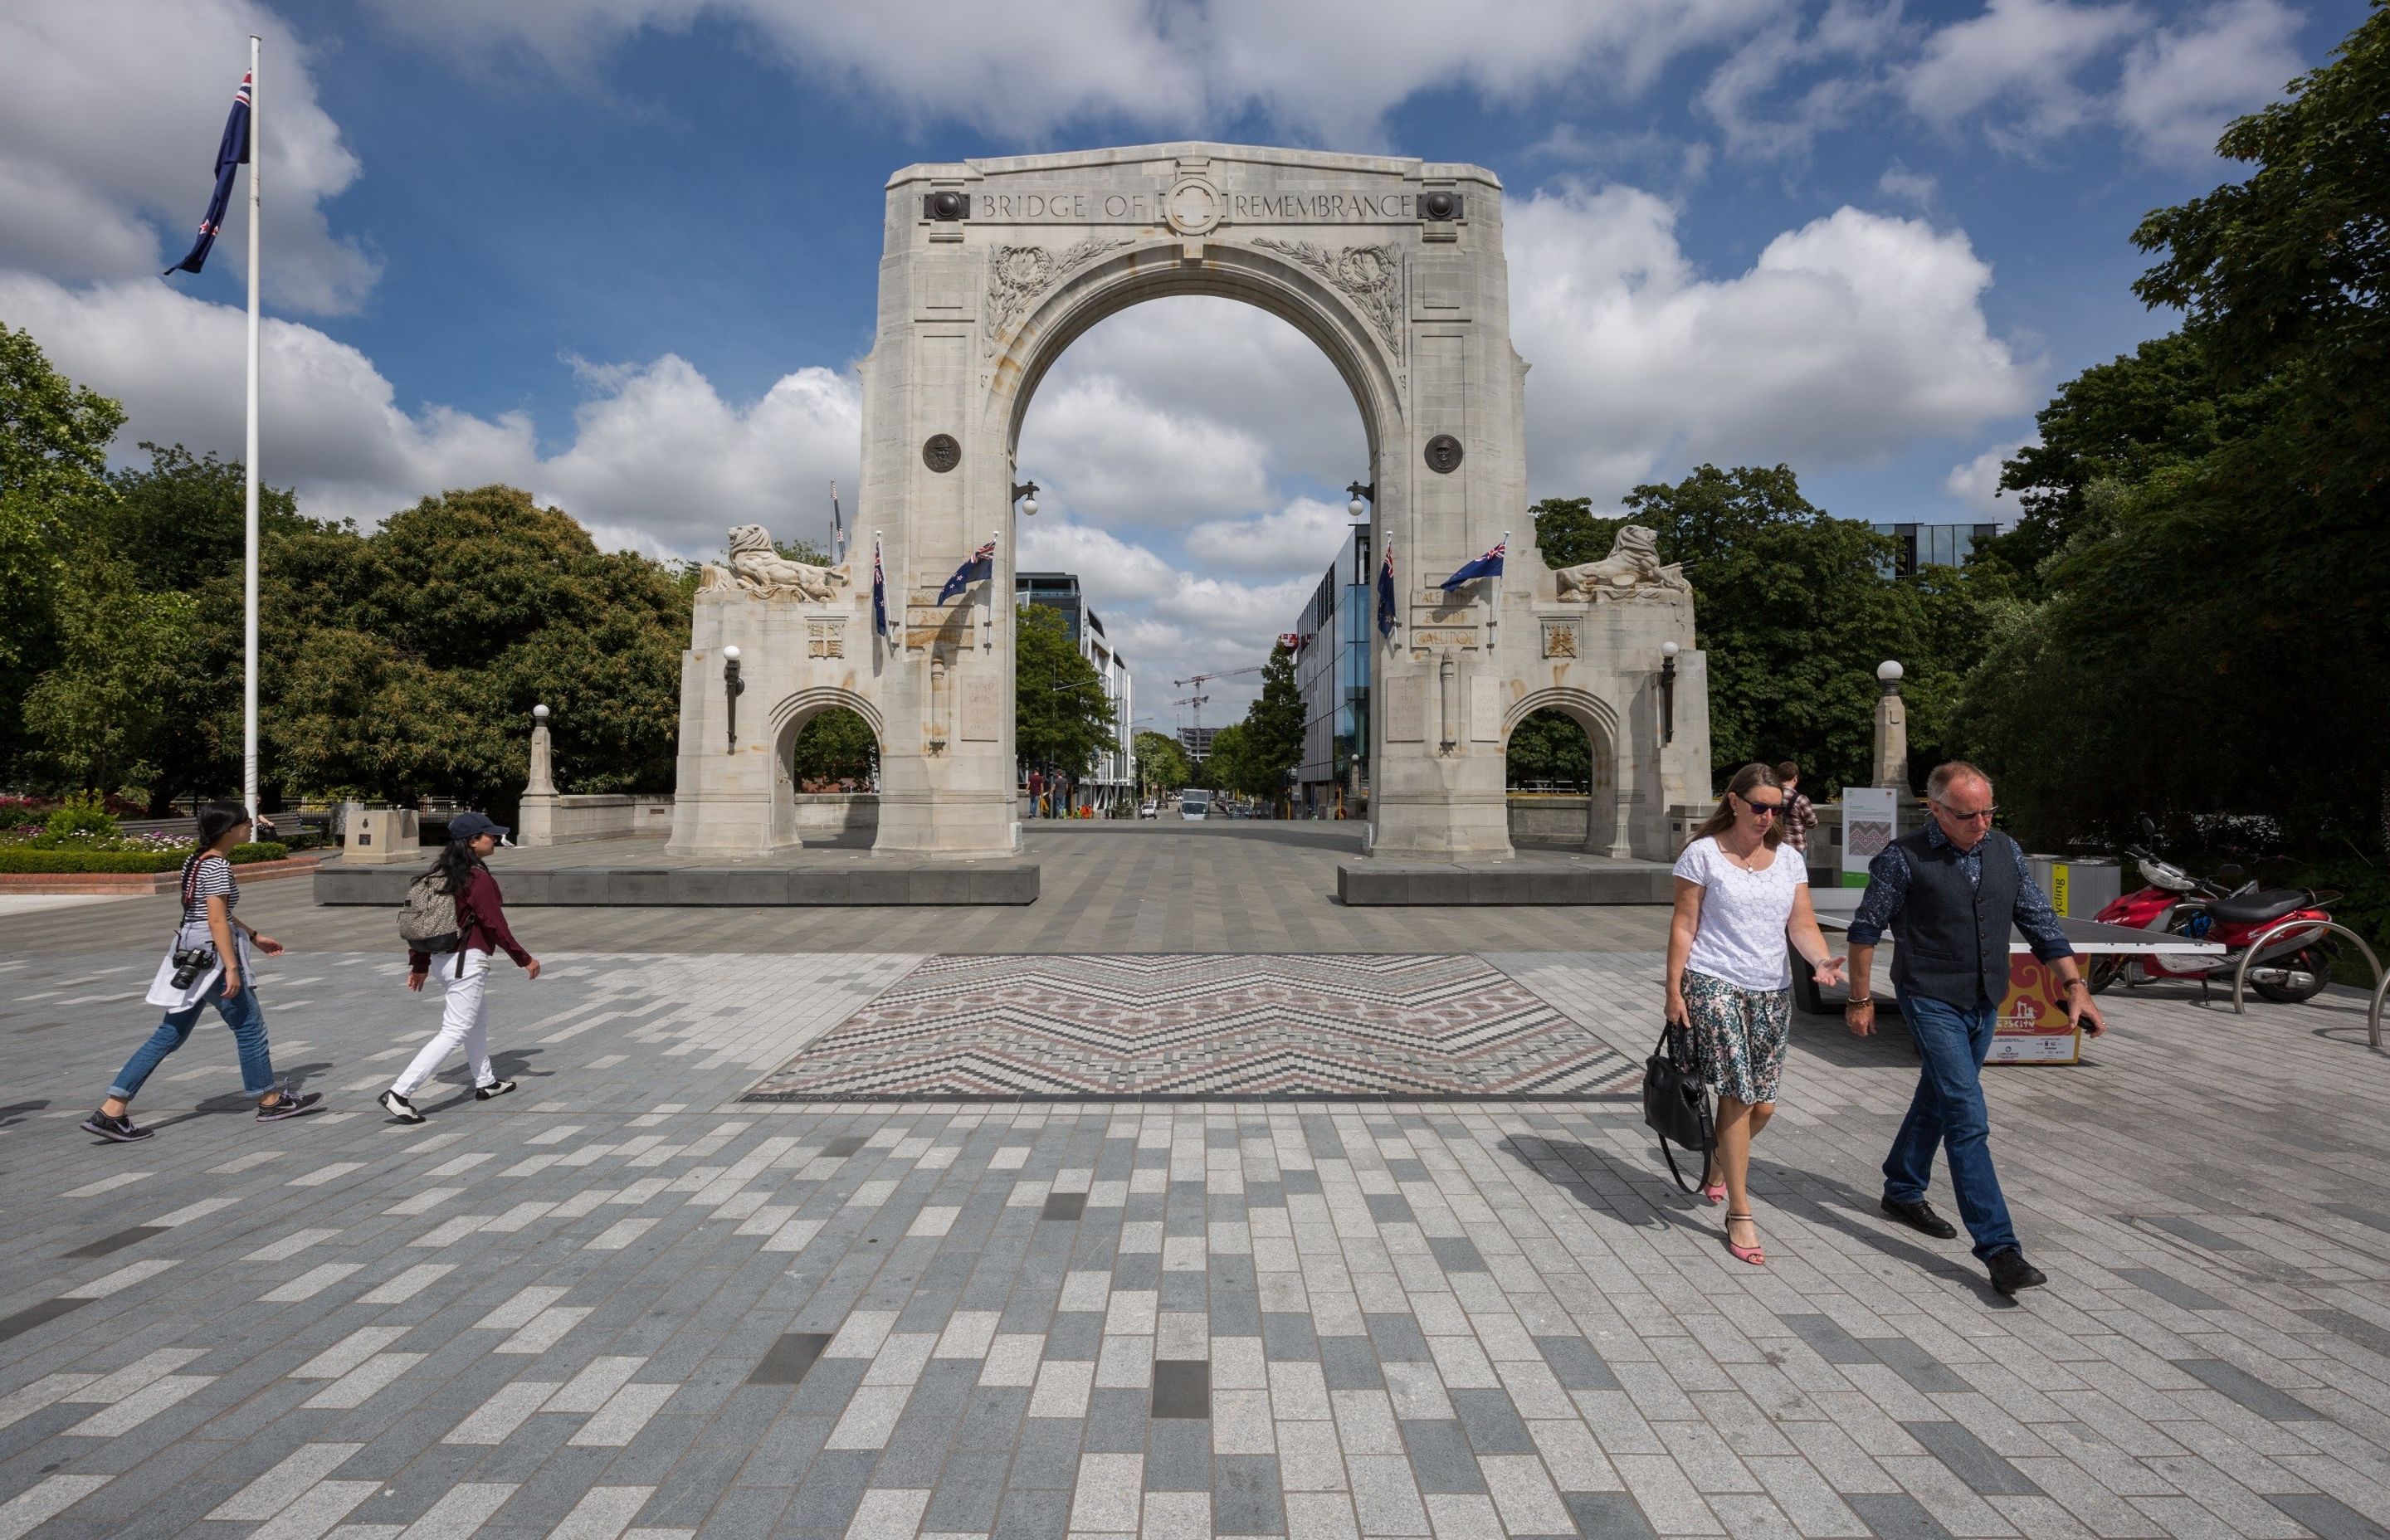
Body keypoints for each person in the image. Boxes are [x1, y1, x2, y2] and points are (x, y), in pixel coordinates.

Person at [1844, 761, 2104, 1295]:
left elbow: (2038, 921)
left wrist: (2075, 985)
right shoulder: (1902, 858)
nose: (1982, 822)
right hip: (1930, 996)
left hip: (1986, 997)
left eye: (1989, 811)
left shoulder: (2004, 849)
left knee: (1941, 1096)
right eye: (1969, 815)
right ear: (1935, 810)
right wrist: (1861, 997)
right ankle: (2000, 1249)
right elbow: (1865, 930)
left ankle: (1902, 1185)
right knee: (1967, 1115)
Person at [1666, 763, 1846, 1265]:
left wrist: (1820, 959)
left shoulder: (1788, 860)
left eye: (1777, 809)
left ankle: (1722, 1161)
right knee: (1739, 1094)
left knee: (1763, 1106)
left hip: (1771, 989)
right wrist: (1673, 991)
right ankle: (1741, 1213)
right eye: (1760, 806)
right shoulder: (1702, 855)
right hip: (1712, 981)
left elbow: (1802, 922)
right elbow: (1684, 925)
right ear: (1735, 802)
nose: (1768, 816)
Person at [81, 804, 324, 1141]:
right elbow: (215, 920)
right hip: (213, 955)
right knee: (250, 1029)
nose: (251, 824)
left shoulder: (195, 861)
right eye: (244, 821)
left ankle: (112, 1109)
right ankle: (270, 1101)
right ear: (228, 830)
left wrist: (254, 937)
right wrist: (232, 966)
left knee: (169, 1034)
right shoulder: (219, 867)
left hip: (192, 953)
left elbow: (209, 913)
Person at [380, 812, 539, 1123]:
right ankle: (399, 1093)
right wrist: (524, 958)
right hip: (467, 963)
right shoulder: (476, 878)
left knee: (476, 1022)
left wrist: (420, 964)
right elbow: (495, 924)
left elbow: (422, 925)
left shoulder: (440, 874)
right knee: (454, 1030)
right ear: (472, 841)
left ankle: (486, 1082)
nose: (493, 839)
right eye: (488, 835)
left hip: (444, 961)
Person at [1774, 761, 1819, 857]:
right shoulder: (1800, 799)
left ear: (1778, 777)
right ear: (1795, 778)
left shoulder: (1771, 796)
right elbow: (1812, 823)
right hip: (1796, 847)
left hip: (1775, 847)